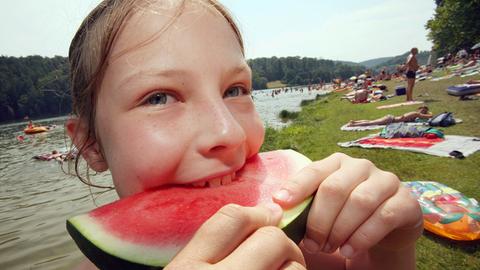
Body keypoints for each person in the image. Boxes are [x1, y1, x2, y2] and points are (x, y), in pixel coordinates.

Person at [66, 1, 423, 269]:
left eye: (235, 90)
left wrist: (388, 250)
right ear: (91, 144)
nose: (229, 132)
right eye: (159, 97)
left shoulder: (310, 251)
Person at [347, 106, 432, 127]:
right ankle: (353, 124)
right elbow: (429, 116)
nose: (423, 112)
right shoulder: (416, 113)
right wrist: (429, 113)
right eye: (423, 111)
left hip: (391, 118)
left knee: (372, 121)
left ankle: (354, 122)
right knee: (371, 122)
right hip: (391, 119)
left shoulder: (414, 114)